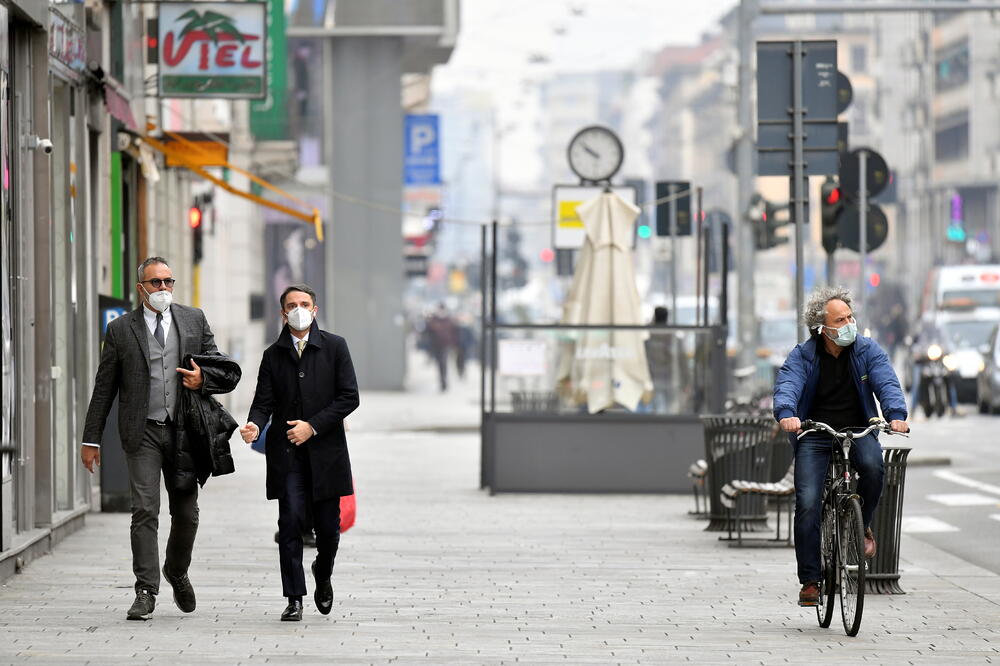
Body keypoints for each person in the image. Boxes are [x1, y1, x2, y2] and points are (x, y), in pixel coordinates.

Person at [81, 257, 223, 621]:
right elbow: (104, 387)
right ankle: (145, 590)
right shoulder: (120, 329)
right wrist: (91, 438)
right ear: (141, 288)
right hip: (142, 431)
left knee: (187, 513)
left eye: (168, 282)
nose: (163, 289)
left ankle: (176, 570)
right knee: (145, 509)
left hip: (183, 432)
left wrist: (202, 380)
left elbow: (219, 367)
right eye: (156, 283)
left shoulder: (194, 319)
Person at [772, 286, 909, 607]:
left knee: (875, 468)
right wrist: (788, 414)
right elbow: (788, 383)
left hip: (859, 428)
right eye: (841, 319)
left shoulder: (867, 350)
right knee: (807, 500)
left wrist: (895, 415)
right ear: (823, 328)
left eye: (850, 316)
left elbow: (886, 381)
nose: (850, 323)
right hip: (815, 432)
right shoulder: (803, 355)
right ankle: (810, 580)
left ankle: (863, 526)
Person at [240, 284, 359, 621]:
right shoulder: (272, 355)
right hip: (287, 454)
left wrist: (313, 425)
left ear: (315, 309)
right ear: (283, 313)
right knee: (290, 522)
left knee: (329, 531)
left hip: (327, 453)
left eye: (304, 303)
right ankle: (294, 597)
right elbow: (263, 403)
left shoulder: (335, 347)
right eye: (291, 305)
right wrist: (253, 425)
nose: (298, 309)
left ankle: (323, 573)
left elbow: (349, 397)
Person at [424, 303, 457, 392]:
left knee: (443, 362)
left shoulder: (449, 320)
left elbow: (454, 332)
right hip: (436, 345)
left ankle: (444, 381)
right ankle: (442, 381)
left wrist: (454, 344)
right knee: (439, 364)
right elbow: (428, 332)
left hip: (445, 345)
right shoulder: (433, 320)